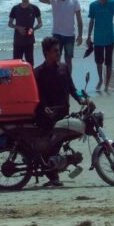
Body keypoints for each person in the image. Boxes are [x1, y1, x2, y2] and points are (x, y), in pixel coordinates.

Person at [34, 36, 87, 187]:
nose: (58, 53)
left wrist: (81, 99)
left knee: (60, 143)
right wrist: (44, 107)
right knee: (52, 145)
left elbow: (71, 88)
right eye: (55, 51)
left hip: (63, 113)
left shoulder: (64, 68)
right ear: (46, 53)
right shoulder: (38, 73)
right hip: (48, 116)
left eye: (59, 50)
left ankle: (59, 169)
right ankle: (53, 176)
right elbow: (38, 95)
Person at [38, 0, 83, 71]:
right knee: (55, 58)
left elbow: (79, 19)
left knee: (68, 59)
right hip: (57, 34)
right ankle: (57, 78)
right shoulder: (54, 0)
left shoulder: (74, 1)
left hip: (70, 35)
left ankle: (68, 79)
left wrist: (80, 35)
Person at [87, 0, 114, 91]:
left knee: (109, 61)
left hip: (110, 36)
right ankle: (100, 79)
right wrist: (88, 37)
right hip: (98, 38)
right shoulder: (93, 5)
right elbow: (91, 21)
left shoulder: (113, 3)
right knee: (99, 61)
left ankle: (107, 83)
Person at [8, 0, 42, 66]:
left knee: (30, 64)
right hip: (18, 40)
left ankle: (30, 78)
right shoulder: (15, 8)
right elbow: (10, 24)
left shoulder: (34, 8)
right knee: (16, 63)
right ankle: (17, 79)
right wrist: (18, 28)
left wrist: (33, 29)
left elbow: (40, 23)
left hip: (29, 40)